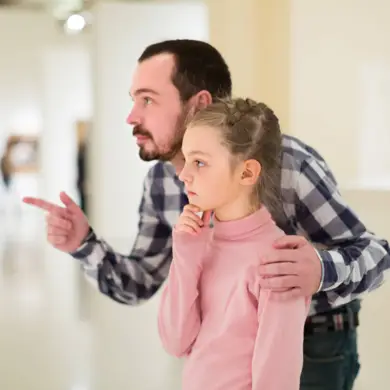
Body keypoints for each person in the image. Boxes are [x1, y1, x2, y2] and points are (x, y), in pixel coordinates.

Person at [22, 39, 390, 390]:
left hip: (317, 344)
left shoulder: (289, 165)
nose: (131, 116)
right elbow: (140, 284)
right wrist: (84, 243)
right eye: (133, 100)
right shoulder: (164, 181)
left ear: (198, 104)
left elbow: (376, 253)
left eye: (147, 100)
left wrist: (322, 270)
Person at [158, 96, 310, 390]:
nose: (184, 175)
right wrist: (186, 257)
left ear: (247, 172)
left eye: (199, 162)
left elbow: (277, 379)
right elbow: (175, 342)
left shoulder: (278, 261)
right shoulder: (199, 244)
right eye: (186, 160)